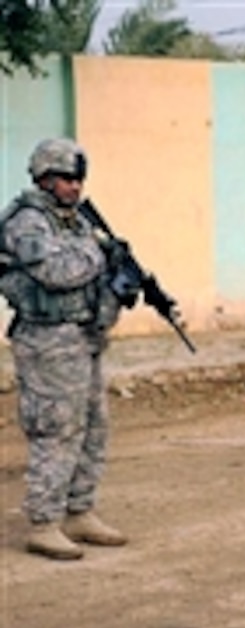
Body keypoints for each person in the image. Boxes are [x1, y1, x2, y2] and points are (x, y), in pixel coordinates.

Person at [0, 138, 129, 560]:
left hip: (82, 336)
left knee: (92, 424)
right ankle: (44, 521)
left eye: (79, 180)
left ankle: (79, 510)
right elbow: (56, 271)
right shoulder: (27, 221)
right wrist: (100, 255)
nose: (75, 187)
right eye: (67, 179)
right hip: (47, 340)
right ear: (45, 178)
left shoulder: (73, 222)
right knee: (56, 429)